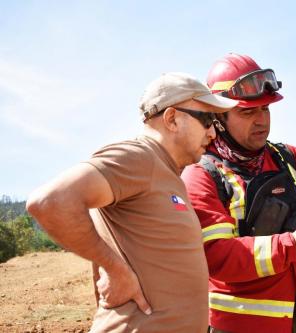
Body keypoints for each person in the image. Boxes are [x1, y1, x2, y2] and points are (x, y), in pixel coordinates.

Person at [26, 72, 238, 333]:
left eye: (216, 123)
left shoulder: (168, 173)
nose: (213, 133)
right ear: (172, 119)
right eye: (207, 120)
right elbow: (50, 202)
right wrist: (116, 271)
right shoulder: (138, 157)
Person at [181, 54, 296, 333]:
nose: (261, 121)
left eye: (265, 109)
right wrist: (291, 244)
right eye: (247, 112)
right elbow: (216, 257)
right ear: (218, 117)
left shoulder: (288, 157)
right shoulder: (202, 174)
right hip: (242, 326)